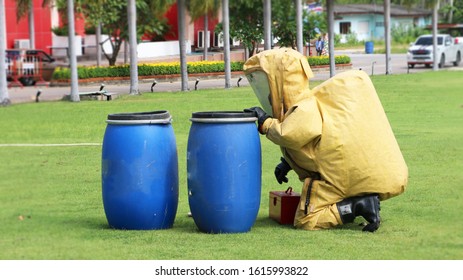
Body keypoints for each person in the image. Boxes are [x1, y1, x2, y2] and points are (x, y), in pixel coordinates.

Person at [244, 48, 408, 232]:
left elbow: (289, 134)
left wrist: (264, 122)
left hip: (331, 179)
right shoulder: (302, 106)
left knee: (307, 219)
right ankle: (358, 203)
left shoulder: (305, 108)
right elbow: (310, 143)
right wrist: (287, 163)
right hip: (333, 172)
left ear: (282, 81)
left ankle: (357, 206)